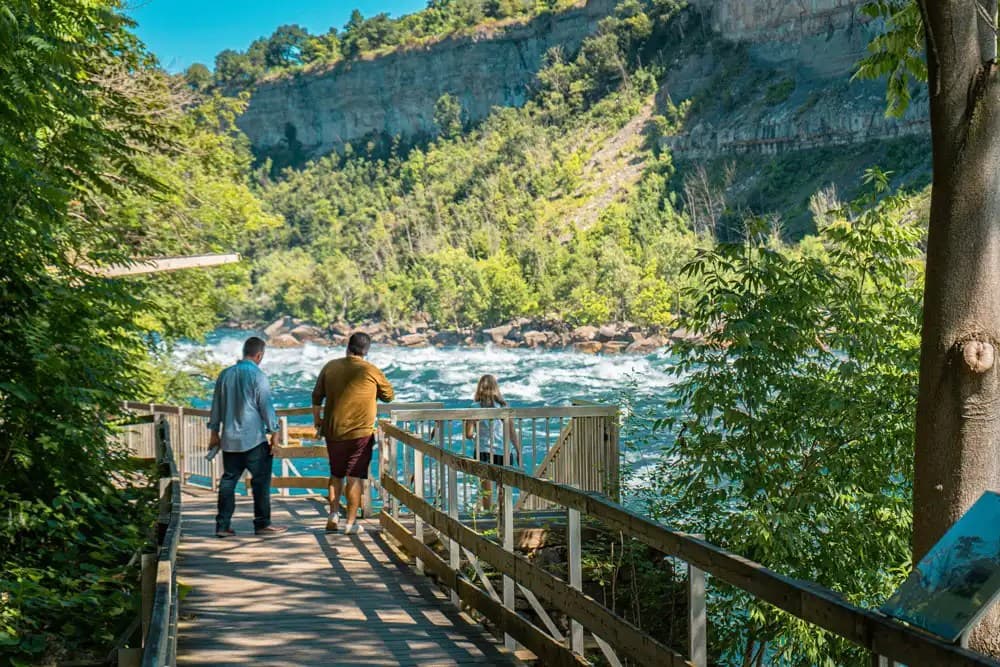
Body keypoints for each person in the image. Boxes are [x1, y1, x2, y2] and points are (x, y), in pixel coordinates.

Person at [312, 332, 394, 534]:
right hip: (361, 433)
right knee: (354, 477)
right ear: (366, 351)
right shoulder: (371, 370)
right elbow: (389, 396)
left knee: (336, 474)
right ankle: (350, 523)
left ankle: (333, 514)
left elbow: (316, 396)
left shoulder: (330, 367)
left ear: (348, 346)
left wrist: (318, 421)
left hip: (333, 430)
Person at [207, 336, 287, 538]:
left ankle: (222, 525)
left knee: (228, 481)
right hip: (253, 439)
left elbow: (216, 406)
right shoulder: (258, 376)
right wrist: (274, 433)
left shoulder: (225, 375)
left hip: (230, 439)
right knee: (261, 482)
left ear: (244, 352)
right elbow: (266, 407)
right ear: (259, 355)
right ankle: (262, 524)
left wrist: (214, 432)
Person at [463, 374, 520, 511]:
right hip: (503, 450)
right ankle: (503, 515)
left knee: (486, 489)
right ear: (496, 388)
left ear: (479, 388)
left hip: (483, 450)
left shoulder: (474, 407)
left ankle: (488, 515)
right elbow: (512, 432)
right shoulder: (503, 406)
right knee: (502, 488)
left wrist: (476, 436)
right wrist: (518, 451)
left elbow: (468, 434)